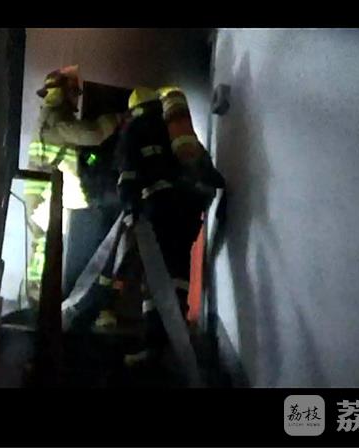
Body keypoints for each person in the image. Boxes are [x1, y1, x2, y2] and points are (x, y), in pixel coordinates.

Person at [116, 86, 224, 366]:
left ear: (135, 108)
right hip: (188, 211)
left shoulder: (135, 127)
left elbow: (128, 173)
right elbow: (208, 171)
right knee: (178, 272)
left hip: (160, 209)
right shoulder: (174, 125)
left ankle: (155, 346)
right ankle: (178, 338)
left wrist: (130, 208)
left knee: (155, 276)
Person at [23, 66, 125, 310]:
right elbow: (93, 134)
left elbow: (76, 154)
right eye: (74, 93)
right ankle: (38, 302)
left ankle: (43, 301)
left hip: (46, 192)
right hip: (45, 194)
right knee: (44, 247)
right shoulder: (57, 118)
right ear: (64, 92)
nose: (77, 98)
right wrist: (118, 118)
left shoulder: (51, 117)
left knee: (46, 245)